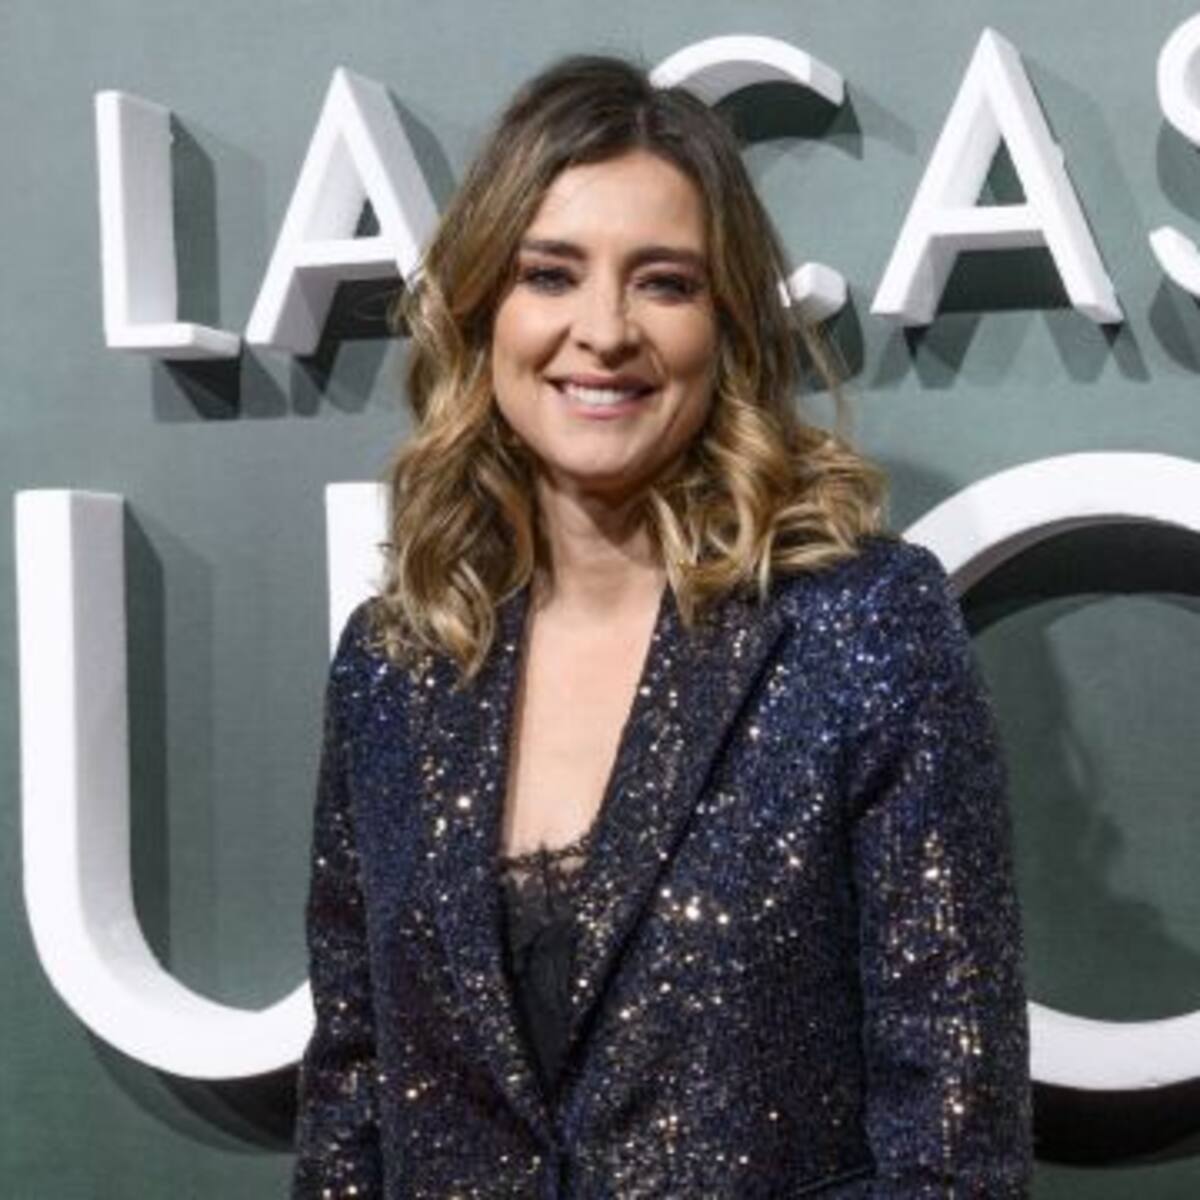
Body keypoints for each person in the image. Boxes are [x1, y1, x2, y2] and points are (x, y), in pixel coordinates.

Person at [292, 53, 1032, 1199]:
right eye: (551, 274)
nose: (603, 331)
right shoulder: (393, 662)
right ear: (483, 309)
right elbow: (352, 1089)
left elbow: (955, 1134)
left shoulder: (860, 628)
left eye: (664, 283)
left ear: (725, 324)